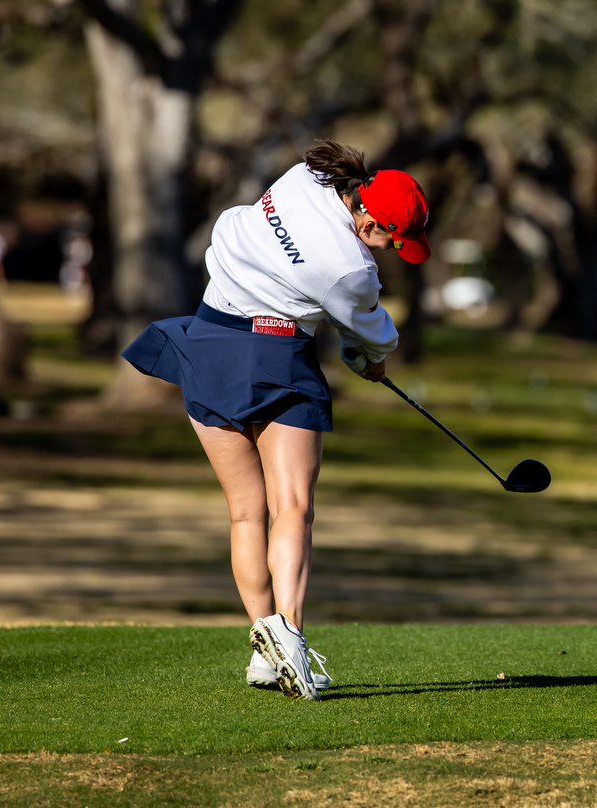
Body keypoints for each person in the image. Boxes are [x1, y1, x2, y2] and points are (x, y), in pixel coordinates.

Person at [122, 141, 430, 700]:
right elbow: (370, 337)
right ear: (368, 221)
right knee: (293, 507)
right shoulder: (353, 271)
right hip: (275, 356)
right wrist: (373, 365)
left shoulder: (304, 178)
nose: (390, 250)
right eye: (392, 239)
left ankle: (267, 651)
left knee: (245, 514)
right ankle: (288, 635)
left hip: (207, 343)